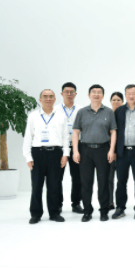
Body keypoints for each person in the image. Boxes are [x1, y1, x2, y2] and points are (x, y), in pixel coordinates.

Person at [23, 89, 70, 224]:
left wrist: (65, 154)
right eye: (45, 96)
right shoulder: (33, 116)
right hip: (38, 153)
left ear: (55, 99)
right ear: (40, 99)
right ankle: (36, 214)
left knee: (54, 185)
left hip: (56, 153)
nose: (48, 99)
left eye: (51, 96)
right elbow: (28, 137)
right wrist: (28, 157)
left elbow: (65, 137)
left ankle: (54, 213)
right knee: (36, 186)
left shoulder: (61, 116)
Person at [72, 84, 117, 222]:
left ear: (103, 95)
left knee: (103, 182)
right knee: (86, 182)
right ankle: (87, 211)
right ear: (89, 95)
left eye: (99, 92)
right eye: (93, 92)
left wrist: (111, 150)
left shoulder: (108, 112)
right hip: (85, 150)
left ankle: (104, 211)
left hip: (103, 150)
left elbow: (113, 131)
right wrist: (75, 151)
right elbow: (76, 132)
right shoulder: (82, 112)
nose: (96, 94)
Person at [113, 84, 135, 220]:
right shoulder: (119, 111)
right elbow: (114, 132)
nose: (131, 96)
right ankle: (120, 207)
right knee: (121, 181)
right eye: (128, 93)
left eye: (134, 93)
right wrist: (114, 150)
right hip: (122, 152)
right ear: (125, 95)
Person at [57, 82, 83, 214]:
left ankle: (76, 203)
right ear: (62, 94)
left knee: (77, 177)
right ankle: (57, 204)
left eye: (72, 92)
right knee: (57, 177)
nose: (69, 94)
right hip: (59, 147)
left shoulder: (81, 110)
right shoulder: (55, 109)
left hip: (76, 146)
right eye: (66, 92)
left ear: (75, 94)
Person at [108, 92, 123, 210]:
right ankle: (109, 202)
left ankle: (120, 204)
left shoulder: (124, 115)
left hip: (122, 152)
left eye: (118, 100)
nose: (116, 102)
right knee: (108, 178)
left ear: (122, 102)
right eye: (114, 100)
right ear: (110, 101)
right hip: (108, 152)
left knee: (121, 180)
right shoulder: (107, 114)